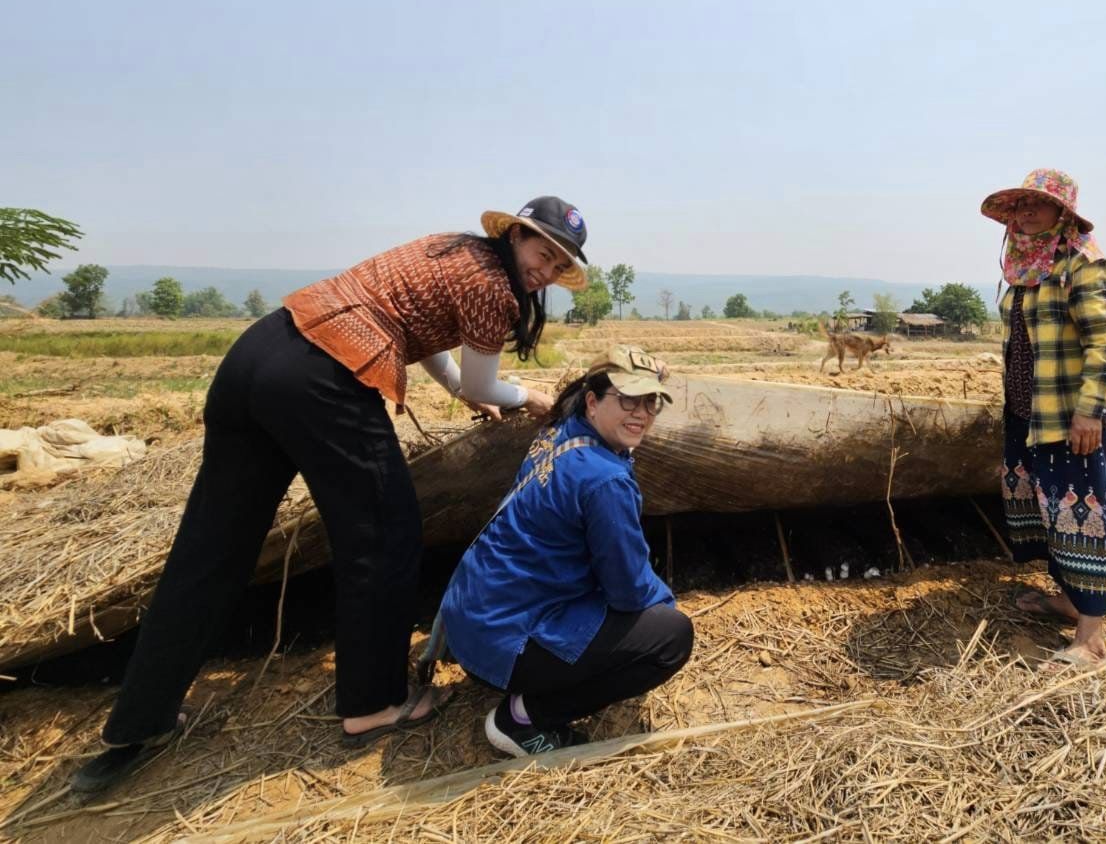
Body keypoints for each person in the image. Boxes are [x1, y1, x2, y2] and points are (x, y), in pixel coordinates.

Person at [71, 196, 590, 795]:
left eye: (558, 266)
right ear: (516, 236)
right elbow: (483, 379)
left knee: (211, 549)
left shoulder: (449, 248)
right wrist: (527, 397)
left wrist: (462, 390)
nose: (545, 271)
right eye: (542, 253)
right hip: (322, 379)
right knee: (385, 535)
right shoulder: (493, 285)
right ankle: (373, 704)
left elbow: (420, 334)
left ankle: (140, 720)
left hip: (258, 354)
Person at [437, 345, 693, 757]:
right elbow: (629, 591)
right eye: (627, 399)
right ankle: (522, 718)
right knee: (671, 637)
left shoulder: (560, 431)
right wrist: (663, 609)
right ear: (592, 402)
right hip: (507, 643)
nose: (642, 413)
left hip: (474, 627)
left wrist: (649, 375)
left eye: (651, 402)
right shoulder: (605, 480)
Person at [980, 169, 1106, 672]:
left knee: (1081, 514)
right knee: (1045, 511)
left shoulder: (1082, 261)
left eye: (1035, 206)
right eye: (1018, 207)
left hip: (1067, 417)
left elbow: (1105, 342)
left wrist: (1091, 412)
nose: (1024, 215)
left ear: (1062, 212)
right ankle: (1067, 601)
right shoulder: (1024, 266)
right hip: (1025, 412)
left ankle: (1092, 641)